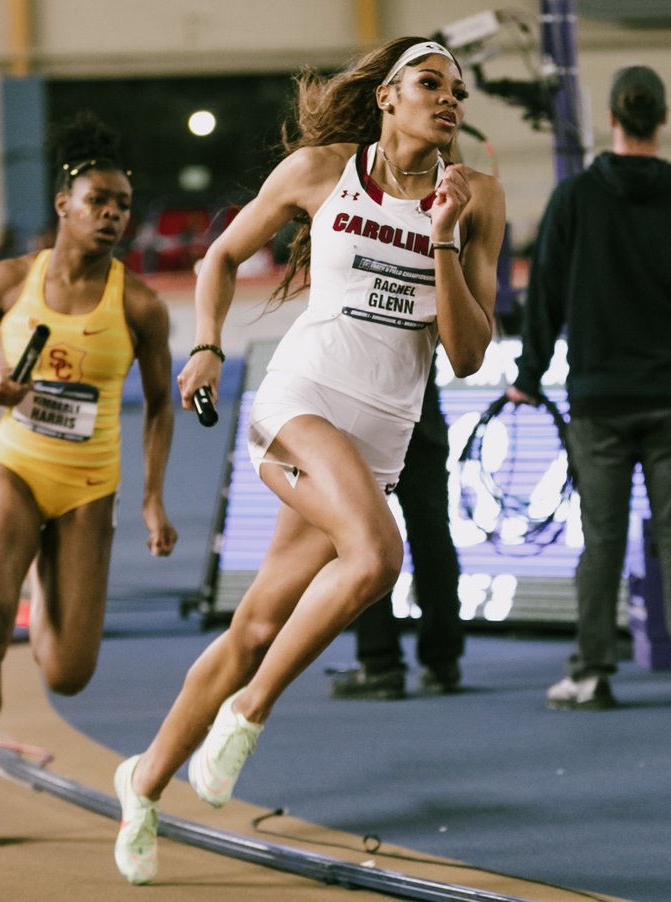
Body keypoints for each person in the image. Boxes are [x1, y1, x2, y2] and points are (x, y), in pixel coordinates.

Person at [111, 37, 504, 885]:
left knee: (254, 625)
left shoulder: (476, 200)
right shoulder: (322, 169)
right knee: (377, 555)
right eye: (431, 84)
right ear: (389, 97)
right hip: (302, 402)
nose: (450, 101)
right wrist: (207, 347)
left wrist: (441, 237)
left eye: (459, 92)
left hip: (381, 438)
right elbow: (217, 256)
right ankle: (247, 716)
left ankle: (141, 784)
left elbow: (469, 355)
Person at [0, 111, 178, 847]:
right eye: (98, 200)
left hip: (88, 486)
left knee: (68, 672)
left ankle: (41, 581)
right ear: (63, 205)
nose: (112, 215)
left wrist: (152, 495)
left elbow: (162, 403)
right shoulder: (9, 282)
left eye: (123, 205)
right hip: (16, 465)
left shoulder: (139, 305)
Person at [507, 65, 671, 711]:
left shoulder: (575, 198)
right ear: (662, 118)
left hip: (600, 401)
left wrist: (528, 375)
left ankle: (591, 674)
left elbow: (544, 296)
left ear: (611, 118)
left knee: (602, 538)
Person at [326, 359, 464, 699]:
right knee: (433, 537)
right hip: (422, 419)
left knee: (366, 541)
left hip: (366, 427)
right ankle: (443, 661)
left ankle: (380, 663)